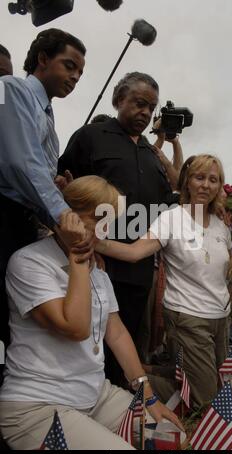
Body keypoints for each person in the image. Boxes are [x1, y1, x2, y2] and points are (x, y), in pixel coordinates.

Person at [0, 175, 183, 450]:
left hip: (95, 395)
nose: (106, 229)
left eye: (110, 220)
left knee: (172, 440)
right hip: (39, 404)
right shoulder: (29, 261)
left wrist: (146, 393)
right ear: (68, 214)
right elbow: (76, 327)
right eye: (99, 218)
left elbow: (117, 332)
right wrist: (78, 254)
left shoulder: (97, 271)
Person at [95, 154, 232, 407]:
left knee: (221, 387)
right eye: (199, 177)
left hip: (220, 318)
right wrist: (93, 242)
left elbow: (225, 269)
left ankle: (149, 369)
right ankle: (128, 380)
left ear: (219, 186)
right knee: (205, 401)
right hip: (187, 317)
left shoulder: (221, 225)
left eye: (213, 180)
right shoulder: (171, 218)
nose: (205, 185)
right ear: (187, 182)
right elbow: (135, 252)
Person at [58, 72, 177, 385]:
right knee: (87, 338)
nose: (145, 113)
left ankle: (120, 397)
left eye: (151, 108)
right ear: (117, 100)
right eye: (139, 103)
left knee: (125, 338)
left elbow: (166, 204)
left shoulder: (153, 156)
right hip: (94, 261)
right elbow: (61, 189)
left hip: (137, 268)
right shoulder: (89, 136)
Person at [0, 29, 91, 359]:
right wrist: (63, 214)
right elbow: (20, 163)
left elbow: (38, 173)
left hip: (25, 223)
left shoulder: (48, 119)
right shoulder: (11, 89)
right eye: (69, 66)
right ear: (42, 59)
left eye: (80, 72)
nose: (75, 77)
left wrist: (57, 189)